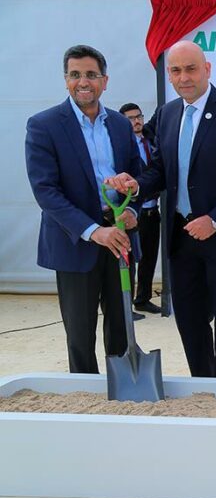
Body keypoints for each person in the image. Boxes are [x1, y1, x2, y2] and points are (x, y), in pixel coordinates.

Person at [107, 40, 216, 378]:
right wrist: (137, 185)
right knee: (190, 319)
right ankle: (203, 384)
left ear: (207, 69)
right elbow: (162, 171)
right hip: (181, 238)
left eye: (191, 68)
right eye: (176, 71)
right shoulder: (167, 114)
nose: (184, 77)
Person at [24, 44, 141, 374]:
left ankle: (124, 394)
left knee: (121, 326)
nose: (83, 81)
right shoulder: (44, 125)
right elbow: (46, 191)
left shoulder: (119, 124)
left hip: (120, 237)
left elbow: (137, 176)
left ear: (105, 80)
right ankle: (85, 398)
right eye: (75, 75)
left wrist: (134, 210)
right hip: (76, 241)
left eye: (91, 74)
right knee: (80, 333)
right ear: (66, 80)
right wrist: (94, 231)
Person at [119, 102, 162, 316]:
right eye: (130, 118)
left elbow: (161, 112)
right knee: (131, 258)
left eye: (139, 117)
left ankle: (143, 298)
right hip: (133, 211)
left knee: (149, 256)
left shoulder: (150, 137)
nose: (136, 121)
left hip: (153, 209)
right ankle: (124, 307)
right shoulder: (121, 145)